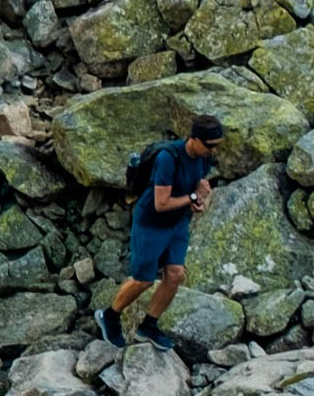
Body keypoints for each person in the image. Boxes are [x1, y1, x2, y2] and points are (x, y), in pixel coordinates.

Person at [95, 115, 222, 351]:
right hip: (151, 224)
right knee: (143, 279)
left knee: (175, 275)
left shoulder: (204, 158)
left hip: (177, 224)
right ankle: (110, 316)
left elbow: (196, 188)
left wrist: (198, 200)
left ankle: (149, 325)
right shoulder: (168, 159)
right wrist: (193, 197)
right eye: (210, 145)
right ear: (194, 139)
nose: (213, 150)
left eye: (217, 145)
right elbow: (160, 203)